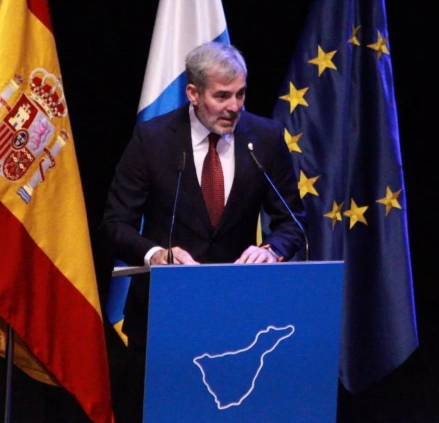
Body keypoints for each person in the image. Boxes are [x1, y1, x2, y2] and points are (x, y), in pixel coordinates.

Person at [102, 41, 305, 421]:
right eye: (222, 96)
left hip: (242, 318)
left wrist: (272, 250)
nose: (235, 107)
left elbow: (292, 221)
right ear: (193, 93)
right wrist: (157, 255)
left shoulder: (265, 138)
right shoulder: (153, 139)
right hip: (165, 314)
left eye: (241, 94)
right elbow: (115, 224)